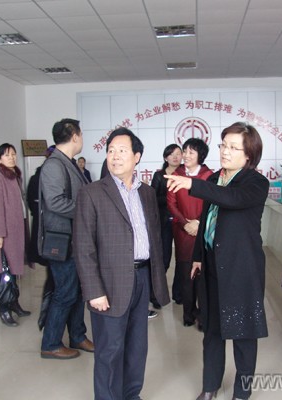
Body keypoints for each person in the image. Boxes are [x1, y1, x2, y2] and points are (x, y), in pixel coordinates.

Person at [165, 122, 269, 400]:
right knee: (211, 330)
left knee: (243, 334)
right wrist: (198, 257)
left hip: (242, 270)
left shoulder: (256, 183)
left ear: (249, 155)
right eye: (224, 145)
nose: (225, 151)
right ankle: (210, 386)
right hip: (212, 265)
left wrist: (192, 184)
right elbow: (207, 222)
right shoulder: (213, 180)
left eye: (234, 147)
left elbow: (232, 198)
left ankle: (242, 393)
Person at [73, 127, 170, 400]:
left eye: (122, 151)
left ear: (137, 157)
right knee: (110, 349)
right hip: (109, 282)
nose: (115, 156)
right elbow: (83, 247)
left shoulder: (147, 193)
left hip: (142, 278)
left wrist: (156, 281)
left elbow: (154, 237)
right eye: (111, 151)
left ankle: (131, 395)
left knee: (137, 346)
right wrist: (94, 291)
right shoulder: (92, 193)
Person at [39, 118, 94, 359]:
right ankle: (50, 343)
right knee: (65, 292)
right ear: (74, 136)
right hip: (61, 241)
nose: (82, 139)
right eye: (80, 134)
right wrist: (87, 210)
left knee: (77, 291)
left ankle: (77, 336)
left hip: (74, 239)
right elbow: (55, 202)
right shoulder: (54, 165)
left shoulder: (67, 163)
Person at [167, 138, 212, 327]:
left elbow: (212, 203)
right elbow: (171, 203)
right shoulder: (176, 175)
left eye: (190, 152)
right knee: (186, 274)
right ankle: (188, 315)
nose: (185, 155)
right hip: (183, 231)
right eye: (184, 151)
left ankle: (203, 316)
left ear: (200, 155)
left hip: (203, 231)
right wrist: (186, 223)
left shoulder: (209, 176)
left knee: (203, 275)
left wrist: (199, 223)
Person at [0, 143, 31, 327]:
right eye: (7, 155)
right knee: (2, 271)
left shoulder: (14, 175)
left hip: (16, 230)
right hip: (4, 234)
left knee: (11, 270)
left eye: (13, 154)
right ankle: (3, 309)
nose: (11, 157)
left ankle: (14, 302)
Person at [27, 145, 55, 330]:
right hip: (51, 234)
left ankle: (47, 313)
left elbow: (32, 205)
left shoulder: (38, 176)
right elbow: (32, 203)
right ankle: (47, 316)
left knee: (53, 276)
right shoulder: (43, 176)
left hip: (45, 231)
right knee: (54, 277)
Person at [150, 144, 182, 307]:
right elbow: (153, 198)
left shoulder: (184, 174)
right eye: (171, 154)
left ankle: (179, 294)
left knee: (183, 259)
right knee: (164, 259)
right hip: (164, 221)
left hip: (182, 221)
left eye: (178, 154)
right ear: (166, 157)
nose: (175, 157)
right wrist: (172, 199)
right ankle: (155, 295)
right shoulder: (159, 175)